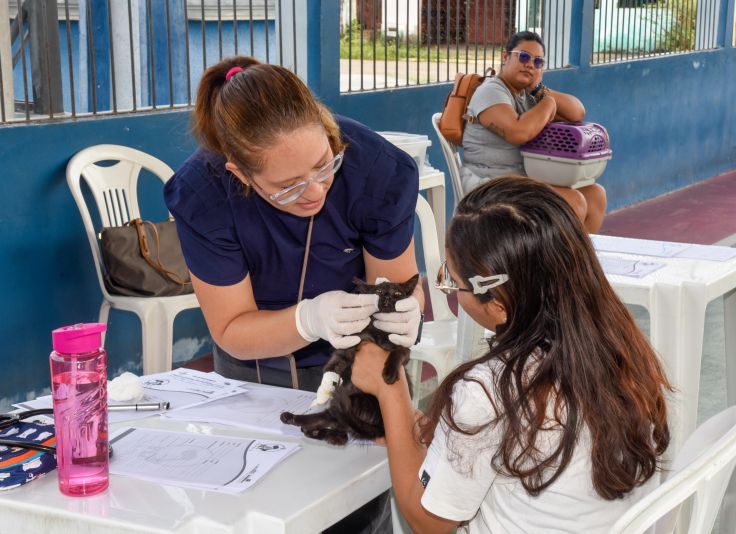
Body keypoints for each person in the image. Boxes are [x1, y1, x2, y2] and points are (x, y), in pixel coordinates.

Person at [165, 57, 423, 532]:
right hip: (253, 374)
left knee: (356, 514)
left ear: (327, 131)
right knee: (255, 513)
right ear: (240, 174)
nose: (314, 192)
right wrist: (308, 319)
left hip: (354, 372)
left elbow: (398, 282)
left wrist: (405, 313)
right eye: (287, 187)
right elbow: (230, 329)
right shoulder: (202, 195)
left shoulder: (379, 171)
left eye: (325, 167)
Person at [352, 176, 672, 533]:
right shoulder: (617, 347)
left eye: (452, 281)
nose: (452, 291)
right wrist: (415, 425)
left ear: (499, 304)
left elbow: (430, 522)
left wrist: (389, 388)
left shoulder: (488, 389)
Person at [461, 31, 607, 233]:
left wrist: (539, 90)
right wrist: (548, 103)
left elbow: (577, 112)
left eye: (538, 62)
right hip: (489, 185)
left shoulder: (526, 95)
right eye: (523, 57)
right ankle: (553, 263)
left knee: (595, 195)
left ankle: (576, 263)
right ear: (506, 57)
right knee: (573, 202)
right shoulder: (492, 90)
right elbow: (517, 133)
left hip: (520, 181)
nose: (530, 64)